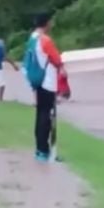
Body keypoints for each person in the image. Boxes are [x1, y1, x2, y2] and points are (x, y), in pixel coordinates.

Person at [23, 13, 63, 162]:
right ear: (47, 23)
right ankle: (44, 151)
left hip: (37, 81)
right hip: (48, 82)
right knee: (47, 116)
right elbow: (57, 59)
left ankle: (40, 150)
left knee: (40, 114)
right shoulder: (45, 40)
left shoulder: (32, 38)